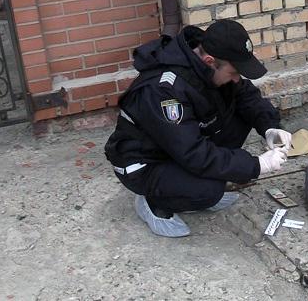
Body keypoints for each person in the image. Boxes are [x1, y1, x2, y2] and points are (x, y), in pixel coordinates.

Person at [105, 19, 292, 237]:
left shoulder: (212, 65)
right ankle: (154, 201)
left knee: (242, 115)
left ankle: (189, 183)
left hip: (175, 146)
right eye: (234, 72)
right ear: (209, 61)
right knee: (209, 190)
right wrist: (257, 165)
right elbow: (193, 153)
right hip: (144, 163)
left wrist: (270, 127)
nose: (237, 79)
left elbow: (247, 96)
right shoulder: (165, 90)